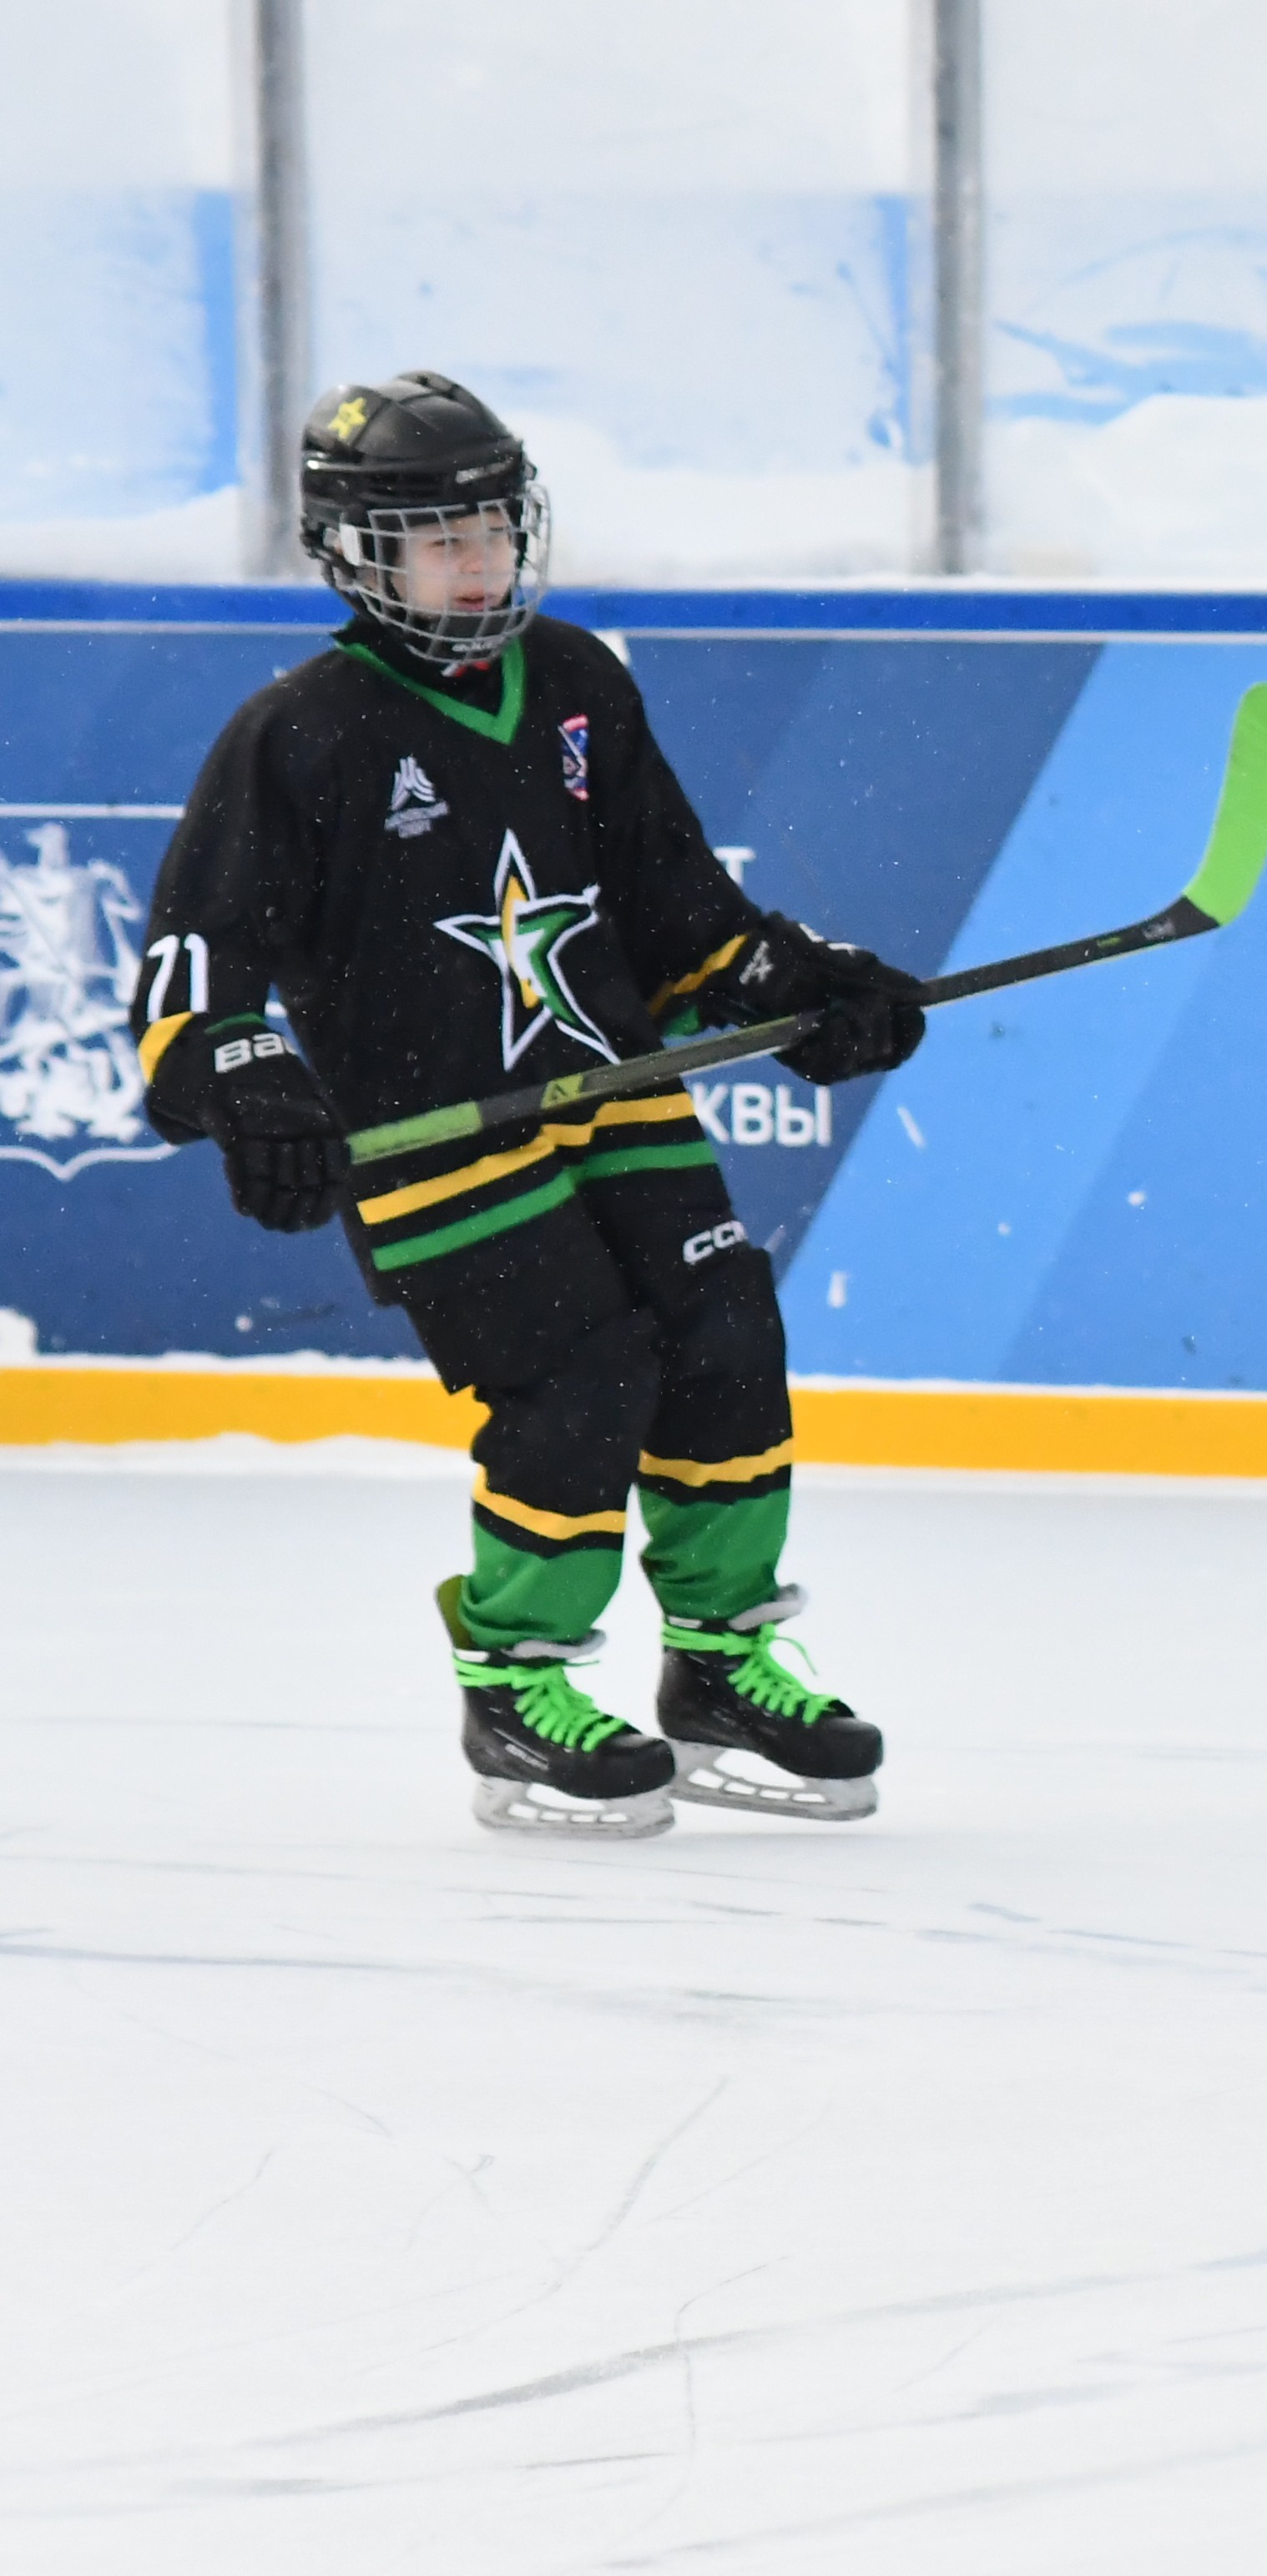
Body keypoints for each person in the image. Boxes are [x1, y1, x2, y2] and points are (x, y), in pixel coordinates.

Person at [132, 371, 924, 1839]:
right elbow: (197, 967)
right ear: (355, 553)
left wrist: (794, 983)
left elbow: (674, 902)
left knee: (724, 1336)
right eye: (440, 540)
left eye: (494, 528)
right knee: (581, 1378)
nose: (480, 563)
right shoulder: (300, 730)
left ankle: (721, 1662)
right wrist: (247, 1081)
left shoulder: (575, 680)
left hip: (614, 1093)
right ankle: (514, 1681)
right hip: (443, 1135)